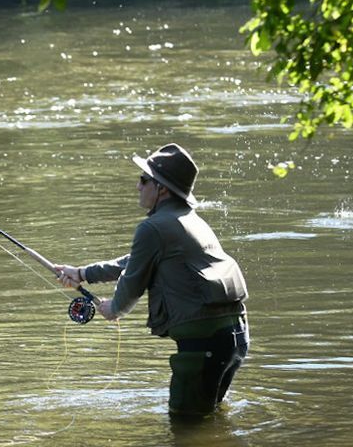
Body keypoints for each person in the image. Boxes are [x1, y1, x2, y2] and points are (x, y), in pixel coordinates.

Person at [54, 143, 249, 419]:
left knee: (185, 424)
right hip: (234, 337)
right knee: (210, 419)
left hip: (203, 344)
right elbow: (133, 262)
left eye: (143, 180)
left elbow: (132, 282)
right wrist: (82, 273)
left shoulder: (153, 227)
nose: (137, 186)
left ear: (162, 189)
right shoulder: (187, 220)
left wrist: (114, 309)